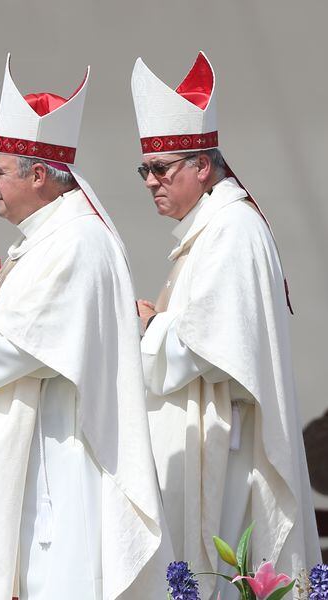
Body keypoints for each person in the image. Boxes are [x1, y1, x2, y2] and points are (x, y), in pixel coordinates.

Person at [0, 55, 168, 600]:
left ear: (38, 175)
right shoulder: (48, 236)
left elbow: (34, 341)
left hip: (65, 448)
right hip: (43, 439)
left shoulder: (77, 240)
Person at [131, 51, 320, 598]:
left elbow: (210, 345)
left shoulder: (233, 230)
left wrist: (149, 327)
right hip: (205, 433)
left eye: (161, 169)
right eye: (144, 169)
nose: (149, 182)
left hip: (228, 447)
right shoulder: (210, 230)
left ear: (202, 166)